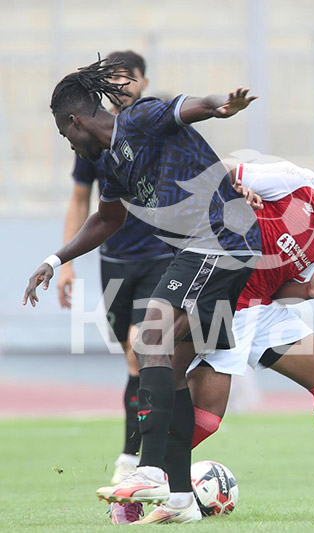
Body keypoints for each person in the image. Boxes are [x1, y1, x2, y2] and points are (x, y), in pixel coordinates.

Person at [23, 56, 262, 524]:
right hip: (207, 251)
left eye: (63, 133)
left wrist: (221, 105)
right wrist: (55, 260)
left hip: (222, 240)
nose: (67, 142)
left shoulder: (140, 119)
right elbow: (108, 219)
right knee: (171, 365)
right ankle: (179, 499)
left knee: (149, 336)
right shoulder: (112, 165)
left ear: (76, 121)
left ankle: (148, 469)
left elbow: (189, 107)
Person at [134, 160, 314, 524]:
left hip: (264, 308)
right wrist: (235, 192)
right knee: (206, 418)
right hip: (227, 302)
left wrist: (306, 290)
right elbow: (217, 171)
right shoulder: (294, 183)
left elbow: (273, 280)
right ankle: (136, 486)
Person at [57, 51, 174, 498]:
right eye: (117, 79)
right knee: (132, 356)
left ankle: (135, 460)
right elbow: (79, 200)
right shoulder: (93, 135)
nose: (123, 86)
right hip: (116, 263)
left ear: (144, 82)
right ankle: (142, 454)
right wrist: (65, 262)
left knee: (140, 349)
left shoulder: (156, 127)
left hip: (162, 256)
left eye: (130, 78)